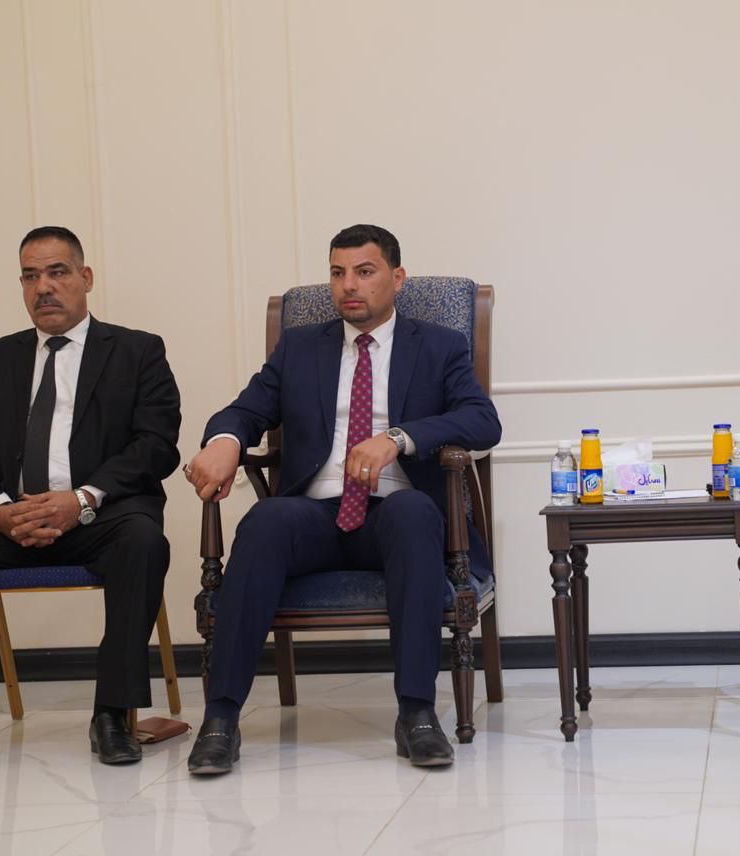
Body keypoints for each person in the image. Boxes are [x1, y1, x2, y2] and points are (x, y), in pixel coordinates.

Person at [183, 224, 501, 774]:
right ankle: (221, 719)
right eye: (337, 273)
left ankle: (417, 713)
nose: (348, 285)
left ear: (397, 278)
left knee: (412, 512)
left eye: (364, 271)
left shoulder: (438, 345)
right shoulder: (301, 347)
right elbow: (246, 409)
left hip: (396, 514)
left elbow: (482, 421)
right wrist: (225, 441)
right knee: (264, 521)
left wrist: (398, 437)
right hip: (316, 514)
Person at [0, 226, 182, 771]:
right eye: (30, 276)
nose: (43, 287)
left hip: (101, 516)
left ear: (85, 278)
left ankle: (111, 714)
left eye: (56, 272)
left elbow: (156, 446)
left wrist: (81, 500)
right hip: (15, 520)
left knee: (144, 542)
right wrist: (1, 511)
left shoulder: (137, 350)